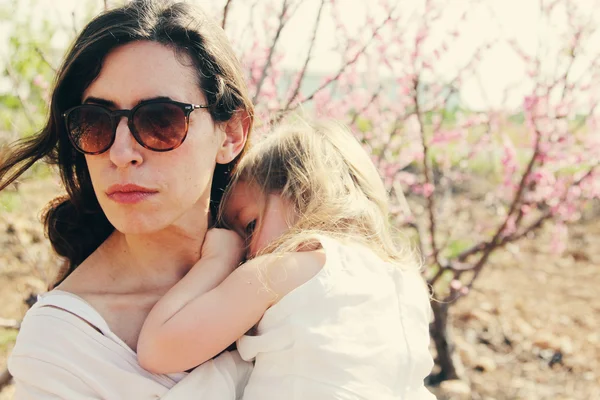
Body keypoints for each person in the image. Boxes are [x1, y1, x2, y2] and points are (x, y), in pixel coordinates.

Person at [1, 1, 255, 398]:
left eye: (160, 120)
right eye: (95, 123)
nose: (121, 154)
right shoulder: (62, 347)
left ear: (232, 133)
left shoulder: (290, 263)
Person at [137, 120, 437, 399]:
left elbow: (158, 350)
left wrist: (217, 259)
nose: (246, 251)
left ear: (301, 194)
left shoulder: (281, 271)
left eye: (249, 225)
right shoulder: (408, 284)